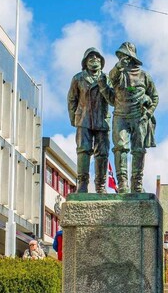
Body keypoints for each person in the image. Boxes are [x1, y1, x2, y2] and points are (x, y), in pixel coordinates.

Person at [109, 42, 158, 193]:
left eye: (125, 55)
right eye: (120, 56)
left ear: (132, 57)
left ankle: (137, 183)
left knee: (138, 150)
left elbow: (155, 96)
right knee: (120, 148)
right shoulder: (118, 74)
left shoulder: (144, 76)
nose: (123, 58)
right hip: (120, 115)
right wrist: (118, 67)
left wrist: (148, 111)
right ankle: (123, 183)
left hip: (139, 117)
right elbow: (110, 78)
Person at [68, 48, 114, 193]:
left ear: (102, 62)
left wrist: (103, 85)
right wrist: (74, 118)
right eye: (90, 58)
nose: (94, 60)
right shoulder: (78, 78)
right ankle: (82, 183)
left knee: (102, 152)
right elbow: (72, 99)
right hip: (84, 120)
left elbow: (113, 100)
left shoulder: (107, 79)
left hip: (102, 120)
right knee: (83, 150)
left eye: (97, 58)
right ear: (85, 62)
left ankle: (100, 185)